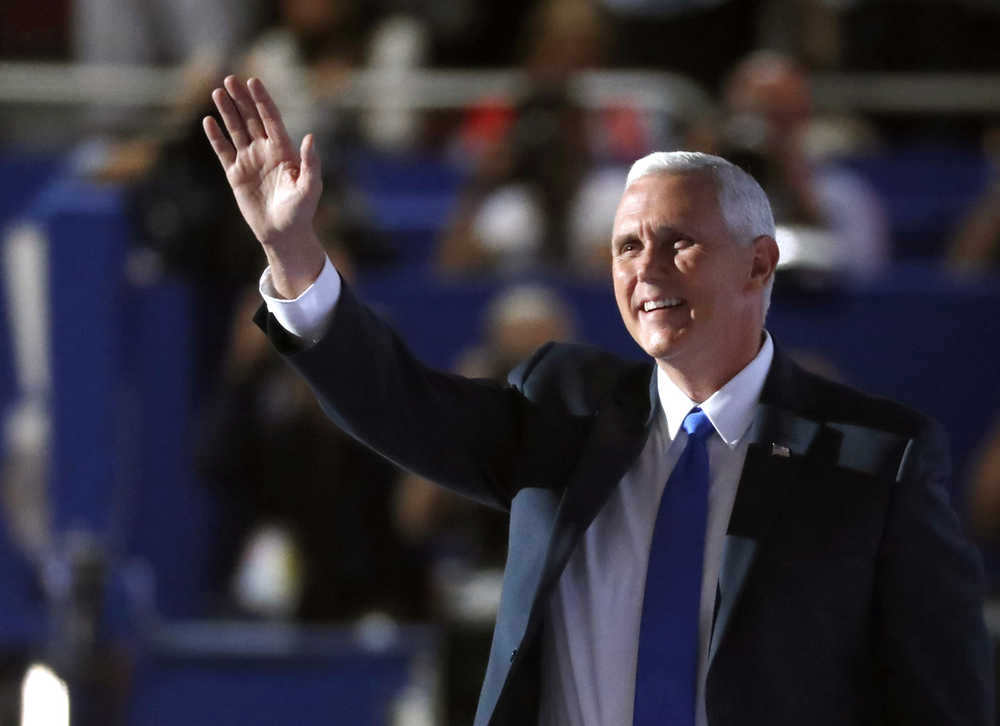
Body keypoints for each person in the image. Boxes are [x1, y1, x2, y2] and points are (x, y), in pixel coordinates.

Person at [203, 75, 993, 726]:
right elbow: (398, 403)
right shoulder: (565, 410)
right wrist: (294, 253)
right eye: (626, 246)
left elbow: (944, 703)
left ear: (758, 265)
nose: (646, 272)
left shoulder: (876, 457)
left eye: (679, 242)